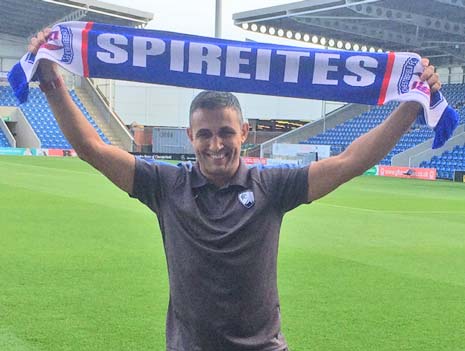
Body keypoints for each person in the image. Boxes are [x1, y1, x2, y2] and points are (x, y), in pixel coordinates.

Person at [28, 29, 441, 351]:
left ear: (244, 132)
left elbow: (350, 162)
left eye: (226, 132)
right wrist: (52, 79)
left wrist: (410, 105)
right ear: (190, 136)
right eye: (204, 134)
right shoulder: (164, 185)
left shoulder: (273, 186)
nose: (215, 144)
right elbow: (90, 148)